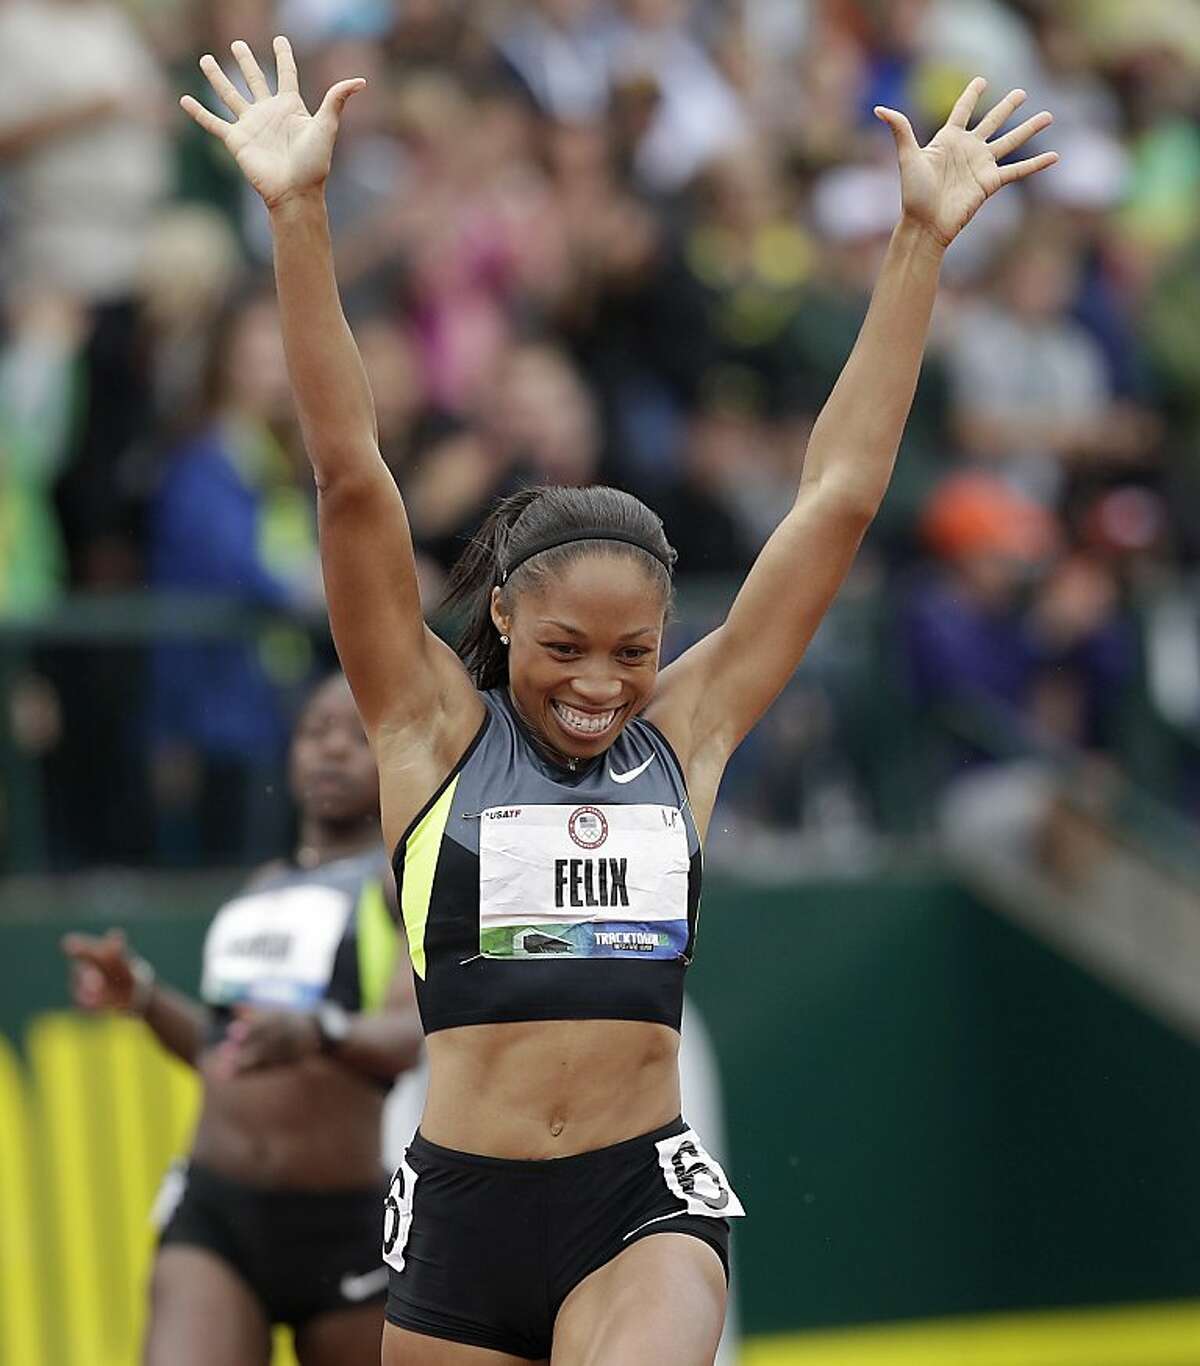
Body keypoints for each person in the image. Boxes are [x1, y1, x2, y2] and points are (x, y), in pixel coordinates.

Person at [180, 37, 1057, 1365]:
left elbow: (837, 500)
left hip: (634, 1200)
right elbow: (353, 479)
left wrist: (918, 245)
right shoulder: (425, 730)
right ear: (502, 621)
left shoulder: (683, 735)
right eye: (568, 648)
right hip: (459, 1223)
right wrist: (299, 218)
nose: (601, 685)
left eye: (633, 651)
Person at [60, 673, 423, 1366]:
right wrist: (140, 995)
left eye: (357, 736)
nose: (332, 751)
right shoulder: (258, 890)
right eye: (314, 733)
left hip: (340, 1222)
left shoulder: (396, 885)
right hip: (217, 1215)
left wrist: (317, 1031)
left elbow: (410, 1041)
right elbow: (220, 1048)